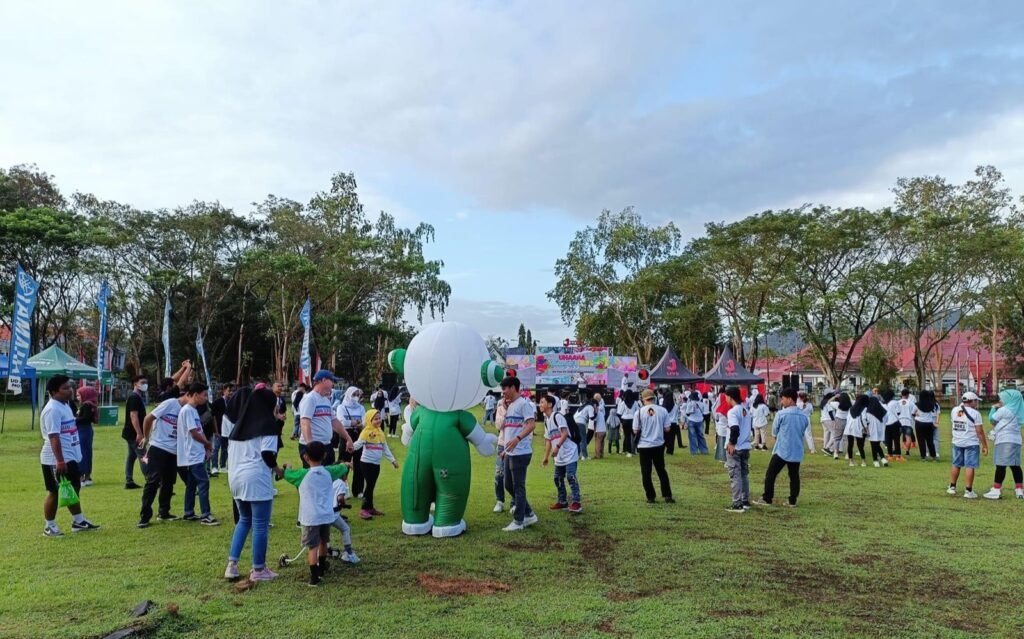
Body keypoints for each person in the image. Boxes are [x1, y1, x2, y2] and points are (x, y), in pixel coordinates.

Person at [224, 383, 285, 582]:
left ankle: (232, 566)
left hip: (235, 478)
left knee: (244, 520)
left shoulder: (237, 428)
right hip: (256, 478)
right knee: (260, 524)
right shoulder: (268, 426)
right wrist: (278, 470)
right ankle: (258, 570)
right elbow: (268, 454)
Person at [283, 441, 352, 586]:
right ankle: (322, 568)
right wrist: (346, 464)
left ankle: (314, 577)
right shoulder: (329, 472)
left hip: (310, 518)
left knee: (312, 547)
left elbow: (287, 474)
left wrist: (287, 467)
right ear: (325, 455)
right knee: (323, 542)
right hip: (326, 516)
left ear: (306, 457)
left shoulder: (302, 474)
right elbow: (340, 467)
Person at [39, 375, 100, 537]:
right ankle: (49, 526)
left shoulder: (65, 405)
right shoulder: (52, 409)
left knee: (73, 489)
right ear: (53, 392)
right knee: (55, 491)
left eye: (70, 387)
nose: (70, 391)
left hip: (70, 457)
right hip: (55, 459)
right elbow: (53, 437)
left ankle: (78, 522)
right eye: (65, 388)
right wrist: (59, 460)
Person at [138, 389, 192, 527]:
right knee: (152, 481)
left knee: (168, 482)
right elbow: (148, 418)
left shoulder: (188, 410)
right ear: (189, 395)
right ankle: (144, 516)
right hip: (158, 447)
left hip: (174, 451)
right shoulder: (170, 404)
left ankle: (164, 512)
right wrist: (146, 437)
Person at [753, 388, 809, 507]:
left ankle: (767, 498)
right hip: (796, 450)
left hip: (782, 450)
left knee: (771, 474)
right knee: (794, 476)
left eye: (782, 399)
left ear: (789, 399)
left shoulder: (781, 414)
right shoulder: (804, 416)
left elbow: (774, 432)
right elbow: (803, 430)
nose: (781, 402)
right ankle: (792, 500)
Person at [175, 383, 218, 525]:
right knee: (203, 482)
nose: (205, 398)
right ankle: (205, 514)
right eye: (204, 395)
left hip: (195, 453)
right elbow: (194, 433)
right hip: (192, 454)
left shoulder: (193, 410)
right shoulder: (187, 410)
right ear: (195, 394)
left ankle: (189, 512)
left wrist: (205, 446)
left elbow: (198, 431)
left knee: (192, 484)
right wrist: (207, 443)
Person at [500, 376, 538, 532]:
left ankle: (519, 521)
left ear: (513, 387)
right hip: (510, 452)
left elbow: (531, 425)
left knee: (518, 486)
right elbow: (510, 429)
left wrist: (517, 439)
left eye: (505, 389)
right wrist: (505, 450)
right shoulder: (511, 406)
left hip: (521, 452)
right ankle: (528, 513)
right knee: (508, 484)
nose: (503, 393)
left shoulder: (524, 404)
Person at [298, 371, 355, 471]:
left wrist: (348, 438)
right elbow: (305, 423)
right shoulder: (309, 399)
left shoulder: (325, 400)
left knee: (328, 478)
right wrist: (310, 448)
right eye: (332, 381)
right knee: (315, 480)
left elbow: (335, 422)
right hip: (314, 447)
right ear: (323, 380)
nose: (333, 384)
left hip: (327, 446)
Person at [352, 409, 399, 520]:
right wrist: (351, 446)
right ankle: (363, 510)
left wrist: (393, 460)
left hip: (376, 464)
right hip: (366, 463)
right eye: (375, 419)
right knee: (369, 486)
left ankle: (370, 508)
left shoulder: (380, 432)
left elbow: (385, 448)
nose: (379, 420)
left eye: (379, 418)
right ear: (369, 420)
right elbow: (359, 444)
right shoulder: (366, 432)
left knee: (371, 486)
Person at [540, 394, 582, 513]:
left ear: (550, 404)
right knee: (557, 478)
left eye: (542, 402)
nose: (540, 405)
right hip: (559, 455)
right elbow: (548, 440)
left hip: (570, 452)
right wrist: (545, 457)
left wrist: (557, 446)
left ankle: (576, 502)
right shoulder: (547, 421)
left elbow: (564, 433)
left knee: (570, 476)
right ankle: (562, 501)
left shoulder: (557, 416)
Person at [634, 389, 674, 504]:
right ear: (654, 398)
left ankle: (650, 497)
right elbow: (667, 428)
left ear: (643, 399)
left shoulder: (639, 412)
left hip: (644, 446)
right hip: (658, 444)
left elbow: (635, 430)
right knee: (661, 470)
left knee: (646, 472)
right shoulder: (663, 410)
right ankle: (667, 495)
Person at [983, 389, 1024, 500]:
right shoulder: (1019, 410)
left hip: (1004, 440)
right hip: (1016, 441)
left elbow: (992, 420)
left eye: (1003, 397)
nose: (1001, 399)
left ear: (1009, 399)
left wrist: (993, 407)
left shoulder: (1004, 410)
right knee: (1015, 466)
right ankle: (1019, 490)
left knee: (1000, 465)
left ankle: (996, 489)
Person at [947, 392, 986, 499]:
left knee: (956, 464)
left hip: (957, 441)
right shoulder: (975, 413)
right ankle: (968, 490)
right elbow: (979, 431)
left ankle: (952, 486)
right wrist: (985, 445)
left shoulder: (954, 410)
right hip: (971, 442)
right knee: (970, 466)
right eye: (975, 401)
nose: (976, 403)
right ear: (972, 401)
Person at [724, 386, 753, 513]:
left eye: (725, 396)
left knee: (735, 475)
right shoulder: (746, 410)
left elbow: (734, 428)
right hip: (745, 446)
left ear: (730, 397)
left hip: (736, 447)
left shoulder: (732, 412)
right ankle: (745, 500)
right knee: (743, 475)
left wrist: (731, 443)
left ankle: (737, 503)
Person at [335, 385, 366, 495]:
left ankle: (358, 490)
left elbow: (364, 422)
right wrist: (356, 422)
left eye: (357, 395)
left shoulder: (361, 408)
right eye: (354, 394)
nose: (356, 397)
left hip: (358, 436)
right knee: (344, 463)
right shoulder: (341, 407)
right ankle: (341, 489)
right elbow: (341, 422)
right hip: (345, 436)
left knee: (359, 463)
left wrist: (355, 423)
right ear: (348, 395)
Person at [122, 375, 148, 489]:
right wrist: (139, 433)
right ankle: (150, 479)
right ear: (135, 384)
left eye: (145, 382)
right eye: (142, 382)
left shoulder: (137, 397)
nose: (145, 385)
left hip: (131, 432)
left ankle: (129, 480)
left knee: (132, 456)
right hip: (134, 433)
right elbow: (133, 415)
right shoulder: (134, 397)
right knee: (143, 455)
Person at [75, 385, 99, 486]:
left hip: (83, 431)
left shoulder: (86, 405)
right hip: (87, 431)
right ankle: (87, 476)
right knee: (87, 453)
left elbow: (85, 418)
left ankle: (81, 477)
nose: (77, 398)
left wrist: (74, 420)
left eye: (79, 395)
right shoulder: (91, 405)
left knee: (82, 453)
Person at [210, 383, 234, 475]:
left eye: (232, 391)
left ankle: (223, 466)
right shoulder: (218, 402)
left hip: (228, 430)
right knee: (216, 448)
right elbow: (213, 416)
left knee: (225, 448)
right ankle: (214, 467)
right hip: (218, 429)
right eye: (229, 390)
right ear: (224, 391)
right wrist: (215, 430)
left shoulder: (232, 402)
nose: (231, 392)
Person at [913, 390, 939, 461]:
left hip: (919, 423)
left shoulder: (917, 404)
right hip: (929, 423)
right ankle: (933, 456)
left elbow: (913, 413)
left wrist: (916, 414)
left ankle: (923, 456)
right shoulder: (931, 404)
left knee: (921, 440)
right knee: (930, 440)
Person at [845, 395, 869, 467]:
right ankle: (863, 461)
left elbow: (848, 418)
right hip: (858, 427)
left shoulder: (851, 408)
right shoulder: (864, 409)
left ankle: (851, 461)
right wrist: (865, 428)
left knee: (850, 444)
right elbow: (864, 419)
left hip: (849, 427)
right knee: (860, 445)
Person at [865, 396, 888, 467]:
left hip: (872, 430)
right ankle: (883, 459)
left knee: (873, 446)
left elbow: (866, 421)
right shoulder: (883, 411)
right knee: (877, 445)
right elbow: (886, 420)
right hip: (881, 430)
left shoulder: (868, 411)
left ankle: (875, 461)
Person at [881, 390, 904, 462]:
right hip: (894, 422)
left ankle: (890, 455)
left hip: (886, 424)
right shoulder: (894, 402)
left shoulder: (883, 404)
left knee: (888, 440)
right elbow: (899, 412)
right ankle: (898, 456)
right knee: (896, 440)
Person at [573, 397, 594, 461]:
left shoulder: (581, 407)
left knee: (577, 440)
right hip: (581, 423)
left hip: (575, 422)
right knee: (583, 440)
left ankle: (577, 455)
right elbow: (592, 417)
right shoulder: (590, 407)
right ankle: (584, 456)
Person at [618, 390, 638, 457]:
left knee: (627, 436)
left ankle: (628, 452)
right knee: (634, 436)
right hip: (633, 420)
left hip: (625, 420)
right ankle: (634, 450)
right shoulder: (635, 402)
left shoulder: (623, 403)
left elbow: (619, 412)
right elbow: (637, 411)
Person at [662, 388, 682, 455]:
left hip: (666, 424)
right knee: (672, 438)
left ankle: (662, 449)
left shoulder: (663, 407)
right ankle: (670, 451)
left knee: (664, 437)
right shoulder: (675, 406)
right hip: (673, 423)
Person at [898, 389, 917, 455]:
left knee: (897, 437)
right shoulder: (911, 403)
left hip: (900, 422)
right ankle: (907, 451)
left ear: (901, 394)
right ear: (908, 395)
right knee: (908, 437)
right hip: (908, 422)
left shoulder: (898, 402)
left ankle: (896, 451)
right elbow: (914, 411)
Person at [713, 392, 730, 463]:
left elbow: (716, 417)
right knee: (727, 444)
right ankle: (727, 458)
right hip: (728, 429)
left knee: (721, 444)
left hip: (721, 429)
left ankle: (722, 458)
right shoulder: (730, 408)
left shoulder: (719, 409)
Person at [271, 381, 287, 448]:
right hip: (271, 425)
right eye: (278, 386)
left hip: (279, 425)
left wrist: (283, 416)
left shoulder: (282, 399)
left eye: (281, 386)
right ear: (273, 387)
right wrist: (277, 416)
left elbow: (284, 409)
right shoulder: (269, 398)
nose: (280, 388)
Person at [591, 393, 607, 459]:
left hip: (599, 430)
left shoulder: (597, 412)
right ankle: (601, 454)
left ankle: (597, 455)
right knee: (602, 443)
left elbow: (594, 420)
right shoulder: (602, 411)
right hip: (604, 429)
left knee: (598, 443)